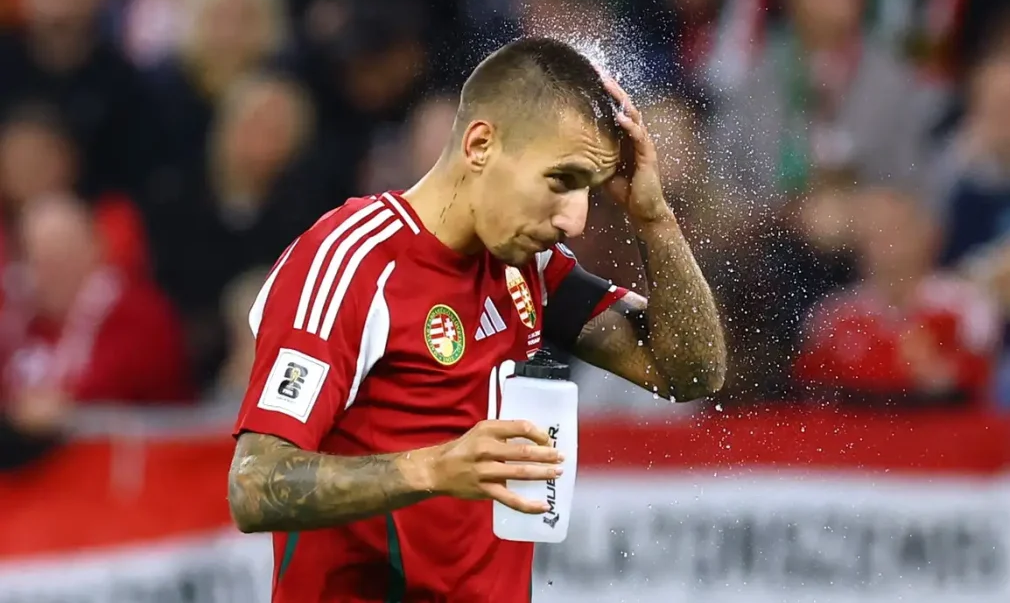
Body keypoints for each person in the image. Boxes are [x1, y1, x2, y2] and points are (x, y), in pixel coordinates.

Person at [227, 37, 726, 602]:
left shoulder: (530, 269)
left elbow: (689, 372)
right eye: (561, 181)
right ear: (481, 144)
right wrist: (432, 469)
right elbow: (254, 484)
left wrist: (653, 217)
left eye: (590, 191)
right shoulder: (353, 261)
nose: (577, 220)